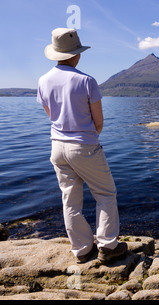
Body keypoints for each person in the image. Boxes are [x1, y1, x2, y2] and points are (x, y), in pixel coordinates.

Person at [37, 28, 127, 264]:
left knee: (70, 200)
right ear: (76, 55)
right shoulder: (87, 81)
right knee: (106, 194)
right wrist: (87, 139)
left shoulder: (43, 81)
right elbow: (98, 122)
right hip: (84, 146)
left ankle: (82, 249)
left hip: (57, 147)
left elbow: (51, 115)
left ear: (56, 54)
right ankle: (108, 246)